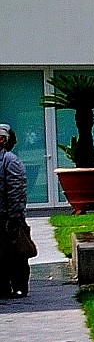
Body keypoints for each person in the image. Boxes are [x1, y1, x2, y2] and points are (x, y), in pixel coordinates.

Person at [0, 123, 31, 299]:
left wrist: (14, 215)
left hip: (8, 217)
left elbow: (17, 190)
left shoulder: (10, 161)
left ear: (3, 140)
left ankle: (20, 286)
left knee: (16, 255)